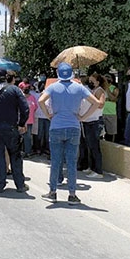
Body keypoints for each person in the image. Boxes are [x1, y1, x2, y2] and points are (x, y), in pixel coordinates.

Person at [38, 63, 100, 204]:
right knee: (71, 163)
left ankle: (53, 192)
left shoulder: (53, 87)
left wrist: (48, 115)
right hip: (74, 126)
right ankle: (72, 194)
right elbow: (96, 103)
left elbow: (41, 100)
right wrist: (83, 117)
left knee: (55, 161)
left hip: (56, 126)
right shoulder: (79, 88)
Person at [80, 73, 107, 178]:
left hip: (95, 121)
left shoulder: (99, 91)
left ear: (98, 82)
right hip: (88, 121)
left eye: (92, 81)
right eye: (89, 81)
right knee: (88, 145)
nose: (90, 83)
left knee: (94, 146)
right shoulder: (91, 90)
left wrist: (91, 99)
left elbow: (100, 105)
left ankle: (98, 170)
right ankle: (90, 167)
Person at [23, 84, 38, 157]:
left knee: (28, 137)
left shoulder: (32, 97)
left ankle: (27, 151)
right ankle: (23, 151)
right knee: (23, 136)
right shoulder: (21, 98)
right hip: (22, 120)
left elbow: (35, 107)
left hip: (30, 120)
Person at [103, 74, 119, 141]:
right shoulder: (100, 88)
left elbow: (113, 98)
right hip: (101, 113)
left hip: (111, 113)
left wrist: (107, 88)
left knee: (111, 132)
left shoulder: (114, 88)